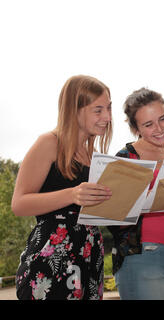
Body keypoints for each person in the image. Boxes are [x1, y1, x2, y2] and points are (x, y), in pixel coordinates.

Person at [12, 75, 113, 300]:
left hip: (89, 255)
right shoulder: (49, 143)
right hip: (52, 256)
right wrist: (73, 194)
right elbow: (19, 204)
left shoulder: (95, 157)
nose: (107, 117)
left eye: (108, 108)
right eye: (98, 110)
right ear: (73, 110)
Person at [109, 88, 164, 300]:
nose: (159, 129)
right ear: (135, 128)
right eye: (148, 125)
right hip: (142, 259)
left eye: (163, 119)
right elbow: (111, 220)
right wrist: (141, 203)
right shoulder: (126, 158)